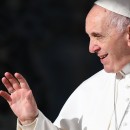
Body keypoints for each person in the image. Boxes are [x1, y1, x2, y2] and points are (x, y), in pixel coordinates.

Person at [1, 0, 130, 129]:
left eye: (98, 36)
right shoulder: (90, 89)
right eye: (89, 37)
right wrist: (31, 121)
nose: (91, 48)